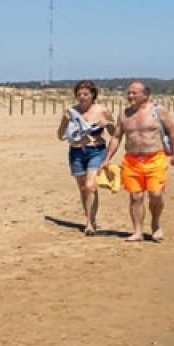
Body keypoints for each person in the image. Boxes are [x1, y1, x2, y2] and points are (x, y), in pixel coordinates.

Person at [109, 79, 174, 242]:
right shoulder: (124, 113)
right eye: (128, 93)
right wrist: (106, 159)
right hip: (132, 160)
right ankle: (138, 231)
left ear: (145, 95)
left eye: (134, 93)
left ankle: (155, 223)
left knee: (156, 194)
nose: (130, 95)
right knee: (135, 197)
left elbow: (172, 132)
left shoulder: (158, 111)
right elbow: (116, 137)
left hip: (155, 158)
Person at [56, 80, 116, 235]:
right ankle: (90, 219)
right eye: (79, 94)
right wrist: (64, 121)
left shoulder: (102, 110)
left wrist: (107, 124)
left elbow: (114, 134)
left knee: (91, 186)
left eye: (86, 94)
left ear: (93, 95)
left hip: (96, 151)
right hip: (76, 152)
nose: (82, 97)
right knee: (83, 188)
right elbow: (60, 136)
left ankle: (89, 224)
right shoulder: (72, 112)